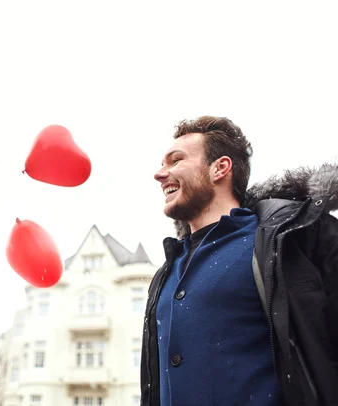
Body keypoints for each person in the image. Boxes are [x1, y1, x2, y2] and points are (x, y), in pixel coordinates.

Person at [141, 116, 338, 406]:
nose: (160, 174)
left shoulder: (295, 240)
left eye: (175, 160)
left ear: (220, 168)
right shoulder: (164, 274)